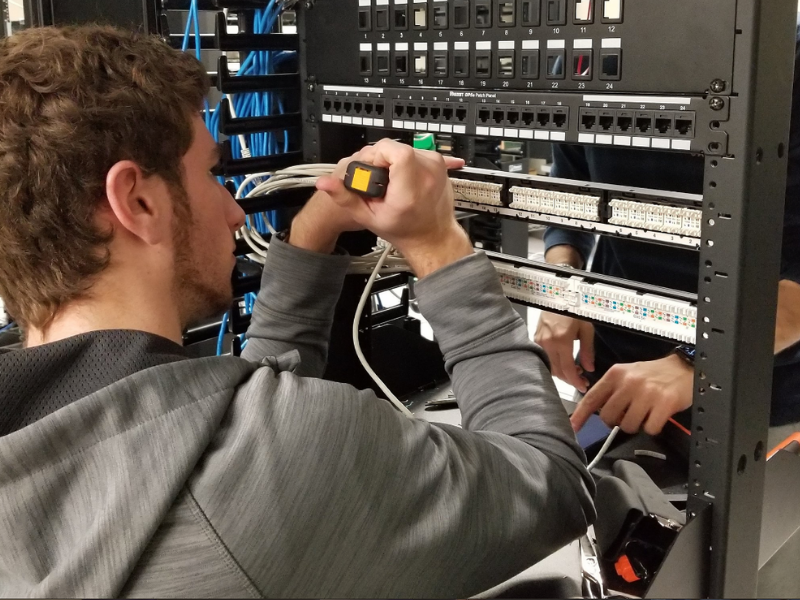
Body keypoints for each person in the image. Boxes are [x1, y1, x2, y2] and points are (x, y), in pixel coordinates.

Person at [0, 26, 594, 598]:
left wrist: (312, 235)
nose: (235, 212)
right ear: (137, 201)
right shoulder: (267, 473)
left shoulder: (38, 436)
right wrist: (441, 250)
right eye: (210, 174)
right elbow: (551, 485)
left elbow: (214, 436)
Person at [536, 29, 800, 442]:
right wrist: (563, 287)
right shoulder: (582, 62)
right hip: (618, 358)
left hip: (762, 377)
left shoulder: (783, 60)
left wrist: (698, 360)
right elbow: (572, 190)